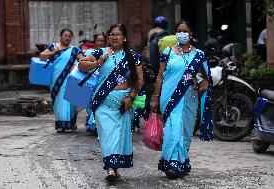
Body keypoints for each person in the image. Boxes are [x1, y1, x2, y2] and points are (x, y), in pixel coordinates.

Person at [78, 23, 143, 181]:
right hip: (103, 102)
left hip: (123, 103)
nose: (114, 37)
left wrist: (131, 98)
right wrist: (97, 63)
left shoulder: (133, 56)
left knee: (119, 135)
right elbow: (81, 65)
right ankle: (110, 168)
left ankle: (113, 166)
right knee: (107, 134)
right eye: (111, 34)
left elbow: (139, 80)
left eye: (118, 34)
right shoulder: (100, 52)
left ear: (125, 38)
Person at [152, 20, 213, 179]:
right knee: (174, 128)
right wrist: (156, 99)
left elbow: (205, 79)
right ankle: (172, 163)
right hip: (169, 97)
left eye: (185, 31)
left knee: (185, 130)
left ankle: (181, 161)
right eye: (179, 30)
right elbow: (160, 77)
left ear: (191, 33)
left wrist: (201, 84)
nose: (182, 33)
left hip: (189, 97)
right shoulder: (168, 52)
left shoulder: (199, 54)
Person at [40, 28, 84, 133]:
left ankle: (71, 123)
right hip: (56, 79)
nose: (67, 38)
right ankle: (61, 124)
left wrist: (76, 68)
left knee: (71, 101)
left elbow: (83, 61)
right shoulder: (53, 47)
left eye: (69, 36)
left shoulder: (74, 49)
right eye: (65, 35)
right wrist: (52, 53)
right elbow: (42, 56)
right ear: (61, 36)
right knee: (59, 100)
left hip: (70, 79)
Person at [84, 33, 107, 135]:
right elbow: (82, 64)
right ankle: (91, 123)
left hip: (102, 81)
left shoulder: (108, 53)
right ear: (95, 42)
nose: (100, 43)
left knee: (100, 103)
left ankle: (97, 125)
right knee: (89, 104)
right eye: (98, 40)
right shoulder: (89, 53)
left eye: (102, 41)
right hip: (90, 81)